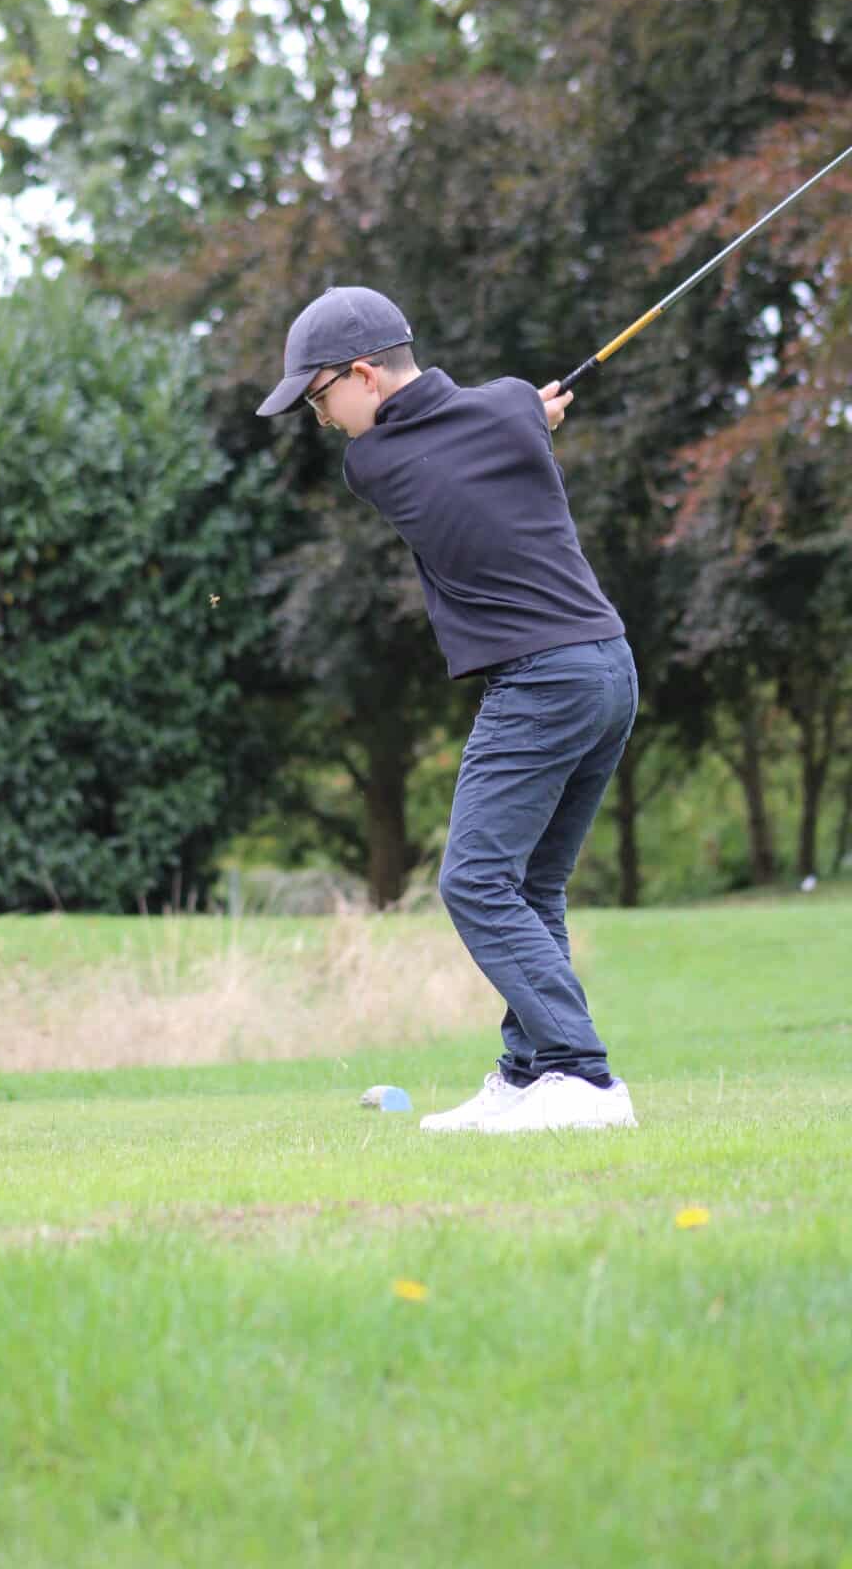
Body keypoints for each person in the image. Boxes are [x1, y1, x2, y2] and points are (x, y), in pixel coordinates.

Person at [257, 285, 638, 1134]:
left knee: (473, 880)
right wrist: (529, 416)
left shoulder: (375, 463)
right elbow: (484, 414)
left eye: (320, 399)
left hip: (543, 680)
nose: (323, 421)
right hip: (608, 668)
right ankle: (531, 1072)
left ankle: (582, 1075)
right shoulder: (510, 408)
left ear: (364, 375)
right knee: (531, 884)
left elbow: (445, 431)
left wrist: (529, 415)